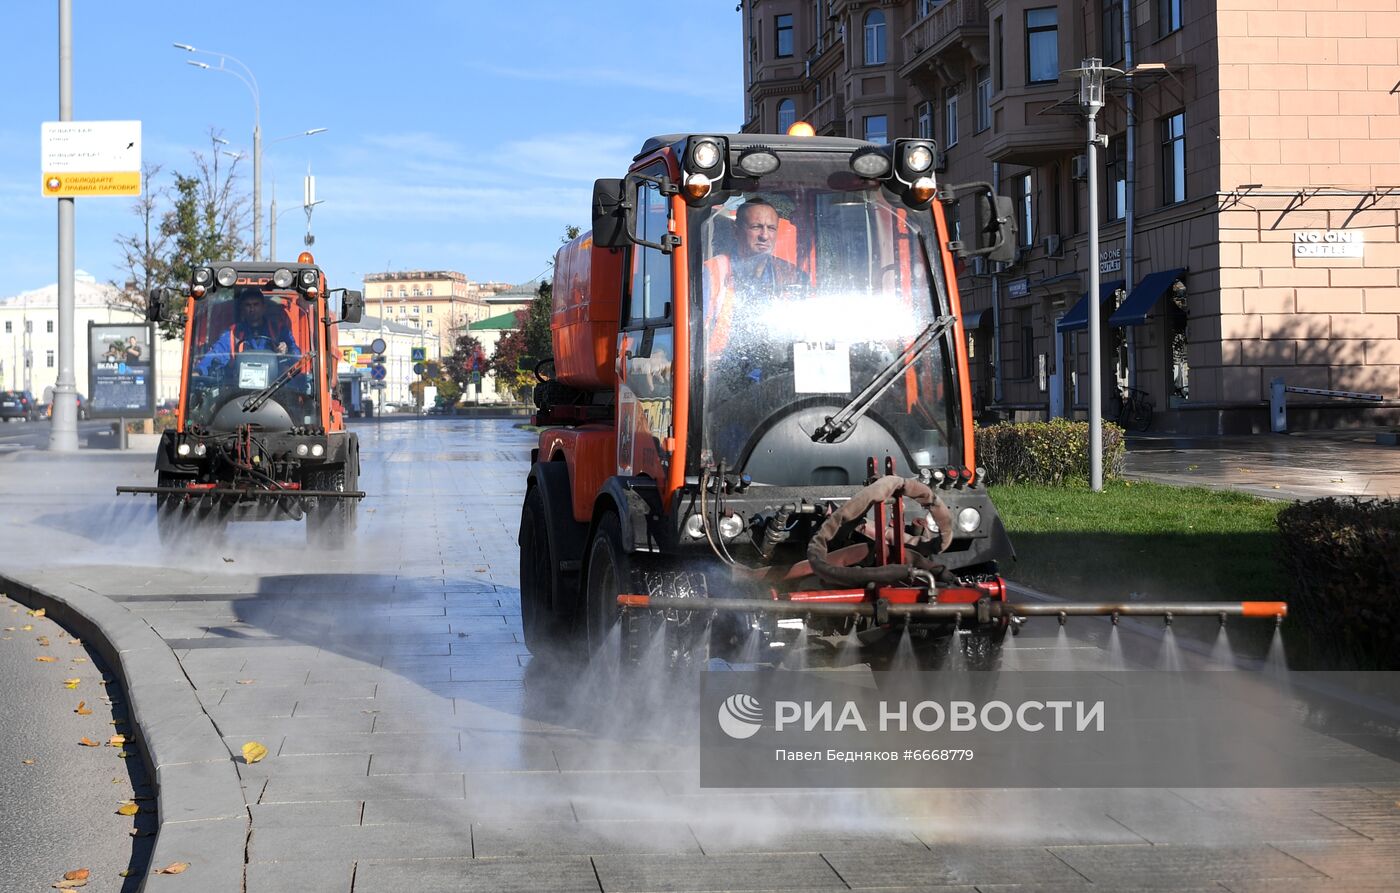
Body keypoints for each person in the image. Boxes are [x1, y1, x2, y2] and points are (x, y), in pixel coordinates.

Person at [703, 198, 803, 358]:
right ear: (736, 231)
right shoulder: (713, 272)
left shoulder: (792, 275)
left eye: (771, 228)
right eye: (756, 227)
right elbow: (689, 327)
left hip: (776, 367)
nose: (765, 236)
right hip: (718, 370)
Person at [196, 287, 301, 376]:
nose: (252, 309)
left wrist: (286, 351)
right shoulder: (234, 333)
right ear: (242, 308)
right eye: (248, 305)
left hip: (275, 389)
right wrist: (199, 371)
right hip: (237, 391)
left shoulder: (278, 329)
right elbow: (217, 353)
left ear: (263, 307)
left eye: (256, 305)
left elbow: (296, 354)